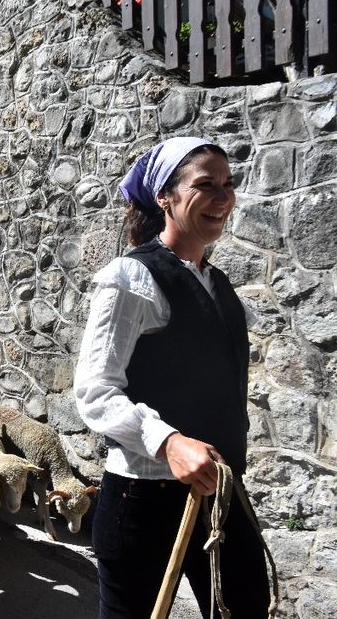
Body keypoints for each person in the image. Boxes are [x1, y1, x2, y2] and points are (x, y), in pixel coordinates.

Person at [74, 137, 270, 619]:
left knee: (247, 606)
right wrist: (169, 443)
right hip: (144, 500)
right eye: (205, 184)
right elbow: (95, 392)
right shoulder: (130, 278)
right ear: (166, 196)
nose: (222, 197)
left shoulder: (218, 284)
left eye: (228, 184)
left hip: (219, 493)